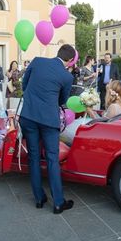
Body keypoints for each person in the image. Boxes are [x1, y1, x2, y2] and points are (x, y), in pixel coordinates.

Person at [20, 44, 75, 214]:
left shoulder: (37, 61)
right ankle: (58, 202)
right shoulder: (66, 76)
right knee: (52, 159)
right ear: (70, 61)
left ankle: (39, 199)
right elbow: (62, 100)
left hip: (28, 116)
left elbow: (25, 83)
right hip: (49, 121)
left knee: (34, 158)